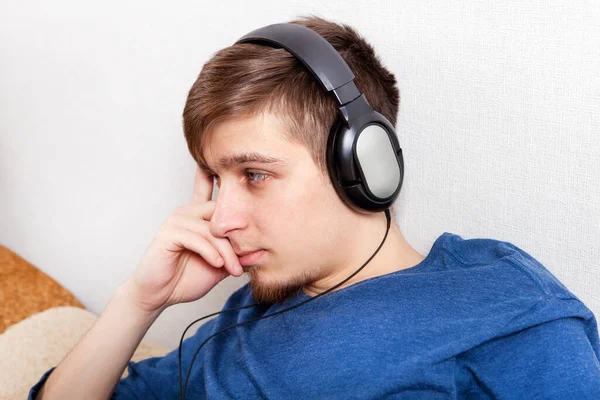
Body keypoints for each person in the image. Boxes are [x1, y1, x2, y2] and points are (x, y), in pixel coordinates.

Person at [30, 15, 600, 400]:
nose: (222, 219)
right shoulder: (236, 319)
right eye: (213, 179)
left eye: (254, 175)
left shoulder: (500, 303)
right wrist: (141, 299)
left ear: (364, 165)